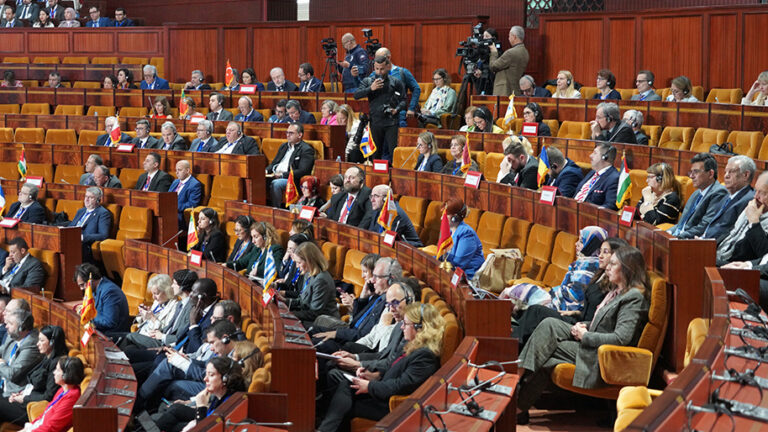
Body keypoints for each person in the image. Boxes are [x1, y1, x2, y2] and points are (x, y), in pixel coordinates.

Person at [516, 246, 650, 425]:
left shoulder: (633, 298)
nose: (607, 268)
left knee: (550, 352)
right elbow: (604, 322)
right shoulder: (617, 291)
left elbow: (620, 338)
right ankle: (517, 387)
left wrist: (585, 335)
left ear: (627, 268)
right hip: (592, 341)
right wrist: (584, 325)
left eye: (613, 264)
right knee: (548, 324)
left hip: (603, 356)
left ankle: (516, 392)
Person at [317, 302, 443, 432]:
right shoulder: (411, 344)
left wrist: (369, 386)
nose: (401, 327)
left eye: (406, 324)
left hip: (391, 405)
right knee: (345, 385)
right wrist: (373, 376)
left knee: (343, 401)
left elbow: (400, 385)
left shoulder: (425, 356)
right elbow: (392, 368)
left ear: (420, 327)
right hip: (382, 389)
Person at [513, 237, 628, 347]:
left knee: (537, 311)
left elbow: (601, 315)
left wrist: (581, 321)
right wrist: (576, 313)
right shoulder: (600, 274)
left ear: (616, 256)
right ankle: (510, 341)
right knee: (532, 311)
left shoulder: (614, 282)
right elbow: (590, 307)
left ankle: (511, 346)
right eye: (600, 251)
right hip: (578, 318)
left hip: (583, 327)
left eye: (606, 252)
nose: (600, 256)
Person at [501, 227, 608, 315]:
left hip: (566, 307)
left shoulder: (590, 265)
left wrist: (551, 292)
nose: (576, 244)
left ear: (590, 245)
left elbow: (575, 295)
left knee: (520, 292)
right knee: (518, 291)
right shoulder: (585, 261)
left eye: (581, 241)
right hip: (558, 298)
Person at [154, 357, 246, 432]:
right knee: (176, 409)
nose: (205, 379)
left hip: (205, 425)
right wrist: (192, 405)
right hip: (204, 420)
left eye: (211, 375)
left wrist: (201, 407)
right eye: (206, 374)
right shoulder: (222, 394)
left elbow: (208, 428)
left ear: (225, 378)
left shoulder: (228, 405)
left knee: (172, 426)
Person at [0, 324, 67, 426]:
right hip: (27, 398)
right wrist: (22, 393)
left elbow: (48, 396)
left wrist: (24, 398)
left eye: (41, 341)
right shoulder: (47, 357)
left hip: (32, 407)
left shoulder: (56, 364)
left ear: (52, 343)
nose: (37, 344)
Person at [354, 56, 406, 161]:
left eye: (382, 69)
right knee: (375, 153)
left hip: (391, 122)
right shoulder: (368, 81)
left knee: (394, 153)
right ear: (374, 67)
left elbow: (404, 100)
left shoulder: (396, 82)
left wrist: (396, 109)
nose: (379, 72)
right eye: (377, 69)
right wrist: (371, 88)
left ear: (388, 67)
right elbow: (356, 95)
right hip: (375, 122)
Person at [668, 153, 728, 239]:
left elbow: (704, 226)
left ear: (711, 174)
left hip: (691, 241)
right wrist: (667, 233)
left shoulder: (719, 193)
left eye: (696, 172)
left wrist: (676, 237)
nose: (691, 176)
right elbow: (682, 223)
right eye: (691, 172)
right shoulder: (696, 193)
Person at [715, 171, 768, 265]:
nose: (756, 196)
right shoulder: (752, 207)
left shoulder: (756, 215)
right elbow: (732, 233)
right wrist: (709, 244)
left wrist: (754, 222)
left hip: (736, 266)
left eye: (762, 193)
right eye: (756, 190)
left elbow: (764, 255)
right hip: (719, 254)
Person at [19, 356, 84, 432]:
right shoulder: (62, 390)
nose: (54, 372)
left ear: (66, 374)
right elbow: (45, 414)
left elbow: (51, 428)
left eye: (57, 370)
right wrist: (29, 426)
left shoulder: (72, 397)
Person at [701, 155, 756, 240]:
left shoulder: (748, 200)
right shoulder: (727, 196)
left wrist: (705, 243)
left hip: (716, 248)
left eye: (731, 172)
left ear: (745, 175)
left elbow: (733, 234)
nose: (726, 176)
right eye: (725, 172)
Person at [288, 241, 338, 326]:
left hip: (323, 324)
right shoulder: (308, 273)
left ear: (309, 261)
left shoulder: (321, 280)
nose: (297, 266)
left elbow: (314, 313)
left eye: (299, 262)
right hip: (309, 318)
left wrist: (290, 314)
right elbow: (302, 301)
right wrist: (284, 301)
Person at [265, 122, 315, 207]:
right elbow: (274, 163)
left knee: (276, 183)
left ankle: (276, 209)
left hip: (292, 180)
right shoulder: (283, 146)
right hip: (275, 174)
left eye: (291, 133)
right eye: (287, 132)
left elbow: (303, 171)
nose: (288, 135)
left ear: (299, 135)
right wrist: (266, 170)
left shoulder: (306, 149)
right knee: (257, 180)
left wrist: (282, 175)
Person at [75, 263, 131, 335]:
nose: (81, 288)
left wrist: (88, 316)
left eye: (82, 285)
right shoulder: (93, 289)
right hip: (101, 330)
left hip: (113, 335)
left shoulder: (110, 292)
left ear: (91, 280)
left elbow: (109, 322)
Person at [373, 47, 420, 127]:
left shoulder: (402, 72)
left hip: (398, 114)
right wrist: (356, 77)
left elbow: (416, 89)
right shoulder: (375, 74)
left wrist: (411, 108)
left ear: (388, 57)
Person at [67, 187, 112, 263]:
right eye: (86, 196)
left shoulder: (103, 213)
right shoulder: (81, 211)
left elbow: (104, 235)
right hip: (71, 239)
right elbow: (71, 226)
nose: (86, 200)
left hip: (84, 244)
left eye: (90, 197)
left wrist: (83, 237)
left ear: (98, 200)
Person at [444, 198, 484, 278]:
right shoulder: (450, 231)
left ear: (454, 217)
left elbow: (458, 264)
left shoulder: (467, 233)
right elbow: (442, 256)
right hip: (452, 274)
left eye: (445, 214)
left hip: (467, 278)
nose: (442, 218)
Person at [573, 143, 620, 210]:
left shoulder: (614, 178)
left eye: (595, 153)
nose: (590, 155)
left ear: (605, 157)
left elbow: (610, 206)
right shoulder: (592, 172)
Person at [133, 274, 178, 339]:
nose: (153, 297)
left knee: (127, 338)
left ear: (167, 291)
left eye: (156, 294)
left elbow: (165, 330)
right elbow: (146, 322)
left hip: (153, 339)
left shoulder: (175, 306)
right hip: (142, 333)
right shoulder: (157, 302)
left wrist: (152, 317)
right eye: (152, 293)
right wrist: (144, 313)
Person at [489, 25, 529, 96]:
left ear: (514, 37)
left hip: (505, 91)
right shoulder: (525, 52)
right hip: (515, 89)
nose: (508, 38)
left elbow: (493, 66)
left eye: (509, 36)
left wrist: (494, 52)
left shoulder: (510, 53)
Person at [169, 160, 203, 228]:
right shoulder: (175, 182)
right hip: (168, 211)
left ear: (187, 171)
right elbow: (167, 196)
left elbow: (192, 204)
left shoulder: (194, 184)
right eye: (176, 170)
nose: (177, 172)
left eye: (179, 170)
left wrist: (173, 207)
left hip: (180, 215)